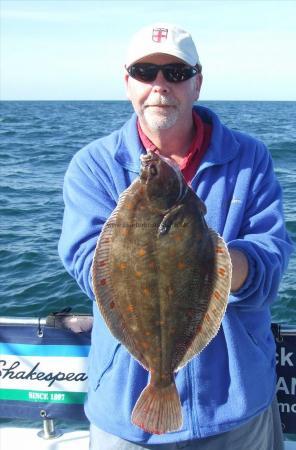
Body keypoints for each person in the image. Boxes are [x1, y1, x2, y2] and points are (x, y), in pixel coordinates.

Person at [58, 23, 293, 450]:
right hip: (126, 411)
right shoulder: (93, 165)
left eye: (177, 73)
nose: (160, 85)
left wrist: (220, 267)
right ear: (127, 82)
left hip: (235, 403)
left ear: (198, 83)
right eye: (146, 72)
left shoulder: (250, 158)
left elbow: (272, 258)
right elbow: (83, 261)